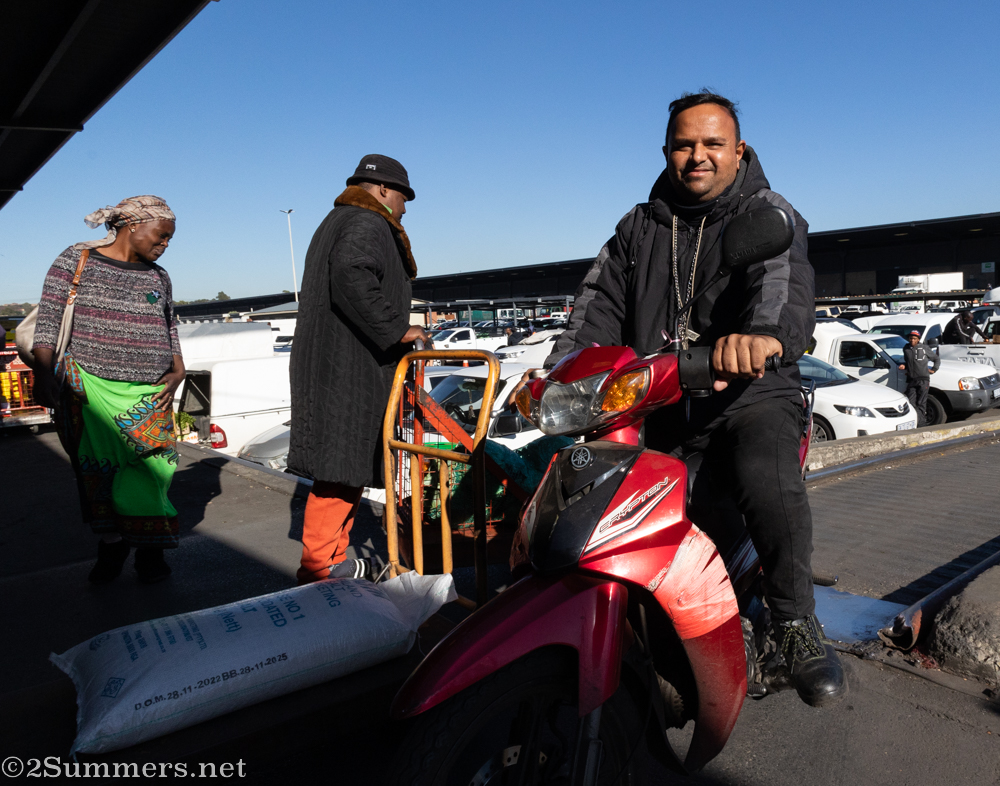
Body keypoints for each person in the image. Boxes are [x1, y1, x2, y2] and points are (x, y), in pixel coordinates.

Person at [546, 91, 846, 707]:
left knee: (765, 468)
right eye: (685, 144)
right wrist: (562, 372)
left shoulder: (767, 212)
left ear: (737, 150)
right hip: (658, 398)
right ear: (666, 151)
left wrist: (759, 337)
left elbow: (781, 287)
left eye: (713, 144)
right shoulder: (639, 226)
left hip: (749, 393)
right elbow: (596, 305)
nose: (698, 156)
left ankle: (793, 622)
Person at [288, 155, 432, 584]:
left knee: (343, 466)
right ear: (385, 190)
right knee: (339, 467)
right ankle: (319, 566)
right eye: (404, 197)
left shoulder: (340, 220)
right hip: (347, 366)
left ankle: (327, 561)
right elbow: (352, 274)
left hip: (339, 362)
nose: (405, 207)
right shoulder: (366, 223)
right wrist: (399, 329)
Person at [32, 195, 185, 584]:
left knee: (153, 470)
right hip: (90, 388)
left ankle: (151, 551)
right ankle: (113, 547)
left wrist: (178, 366)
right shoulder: (77, 259)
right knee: (99, 473)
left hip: (151, 394)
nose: (164, 244)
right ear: (132, 225)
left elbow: (169, 324)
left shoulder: (159, 275)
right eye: (161, 235)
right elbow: (49, 319)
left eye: (169, 239)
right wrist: (45, 373)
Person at [898, 329, 939, 424]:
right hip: (912, 380)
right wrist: (904, 365)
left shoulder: (924, 348)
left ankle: (920, 424)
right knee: (911, 402)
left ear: (918, 339)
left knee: (921, 402)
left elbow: (936, 359)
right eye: (910, 338)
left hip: (923, 379)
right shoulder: (906, 348)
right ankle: (914, 421)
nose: (912, 340)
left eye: (914, 338)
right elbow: (908, 362)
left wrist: (934, 369)